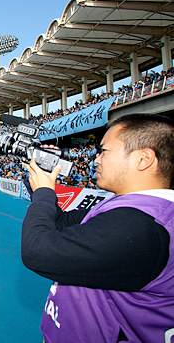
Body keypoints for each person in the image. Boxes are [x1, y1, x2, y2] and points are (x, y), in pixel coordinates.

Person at [21, 113, 174, 343]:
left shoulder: (142, 226)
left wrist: (44, 194)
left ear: (144, 159)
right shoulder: (128, 208)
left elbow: (38, 251)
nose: (96, 160)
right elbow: (60, 225)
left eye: (104, 151)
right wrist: (40, 176)